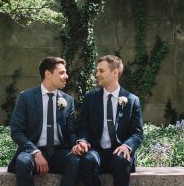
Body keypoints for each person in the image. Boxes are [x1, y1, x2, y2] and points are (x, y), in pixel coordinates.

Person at [70, 55, 143, 186]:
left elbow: (137, 133)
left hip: (119, 150)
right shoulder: (90, 98)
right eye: (97, 70)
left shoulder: (132, 100)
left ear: (115, 73)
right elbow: (83, 127)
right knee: (88, 160)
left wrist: (127, 146)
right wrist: (83, 141)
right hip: (96, 151)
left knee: (121, 160)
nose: (97, 74)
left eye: (101, 71)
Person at [8, 57, 80, 186]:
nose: (66, 76)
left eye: (65, 72)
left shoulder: (68, 100)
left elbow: (71, 132)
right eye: (61, 73)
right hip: (32, 151)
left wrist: (77, 144)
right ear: (48, 74)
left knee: (74, 161)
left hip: (59, 153)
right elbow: (16, 132)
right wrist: (36, 152)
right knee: (23, 162)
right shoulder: (26, 97)